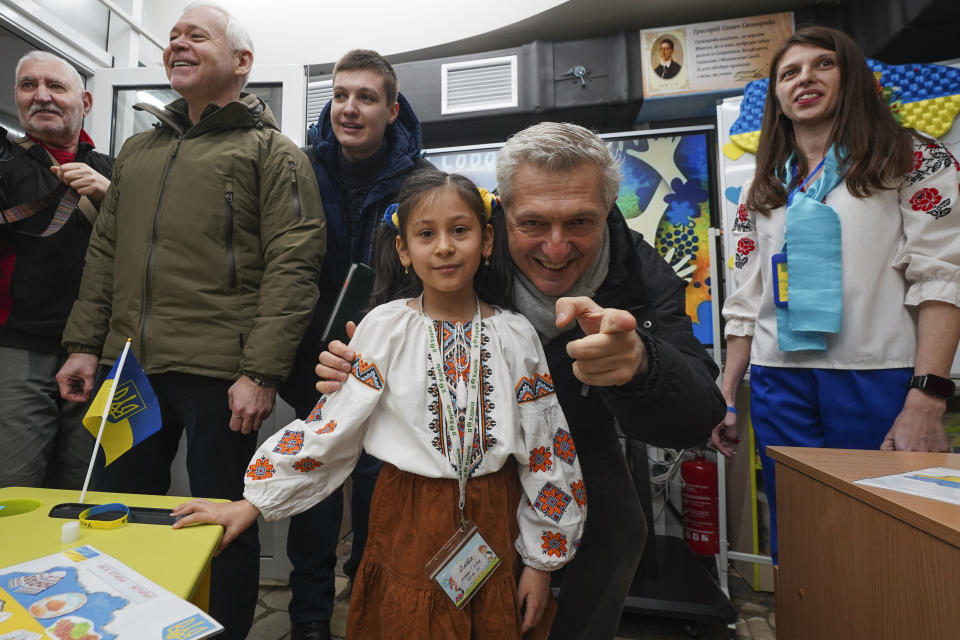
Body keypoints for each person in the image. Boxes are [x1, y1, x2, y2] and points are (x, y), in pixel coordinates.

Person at [316, 122, 726, 639]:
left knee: (621, 531)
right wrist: (344, 366)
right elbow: (381, 328)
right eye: (532, 223)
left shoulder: (638, 272)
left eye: (581, 222)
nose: (556, 250)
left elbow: (699, 412)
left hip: (578, 434)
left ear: (609, 211)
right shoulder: (456, 246)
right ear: (500, 216)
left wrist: (642, 368)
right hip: (452, 444)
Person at [172, 171, 587, 640]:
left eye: (460, 230)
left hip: (495, 518)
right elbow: (334, 426)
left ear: (487, 240)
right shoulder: (384, 327)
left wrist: (540, 562)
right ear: (404, 251)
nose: (445, 247)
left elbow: (547, 448)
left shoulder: (517, 335)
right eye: (426, 234)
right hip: (405, 517)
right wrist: (251, 505)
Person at [54, 3, 325, 638]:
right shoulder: (139, 151)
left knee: (220, 524)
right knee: (120, 510)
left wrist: (260, 371)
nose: (176, 42)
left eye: (195, 35)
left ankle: (223, 630)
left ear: (241, 63)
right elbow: (106, 256)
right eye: (172, 35)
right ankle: (126, 624)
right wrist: (83, 346)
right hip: (132, 370)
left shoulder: (273, 154)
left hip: (218, 373)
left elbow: (294, 264)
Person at [712, 26, 960, 561]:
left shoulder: (910, 158)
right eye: (789, 72)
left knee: (887, 535)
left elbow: (943, 276)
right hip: (781, 379)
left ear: (852, 79)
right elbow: (747, 296)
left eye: (823, 64)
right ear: (777, 96)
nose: (805, 78)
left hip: (877, 374)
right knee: (800, 532)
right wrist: (728, 393)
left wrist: (928, 394)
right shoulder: (765, 186)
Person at [278, 49, 429, 640]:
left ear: (391, 109)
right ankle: (309, 617)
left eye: (365, 97)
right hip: (313, 364)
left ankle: (368, 607)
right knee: (310, 487)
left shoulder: (423, 180)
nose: (350, 107)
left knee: (376, 493)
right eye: (341, 95)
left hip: (388, 370)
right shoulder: (297, 168)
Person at [0, 51, 113, 489]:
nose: (41, 96)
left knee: (85, 486)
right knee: (16, 486)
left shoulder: (114, 170)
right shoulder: (6, 162)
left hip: (100, 353)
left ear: (85, 101)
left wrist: (111, 197)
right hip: (18, 350)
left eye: (56, 86)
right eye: (29, 86)